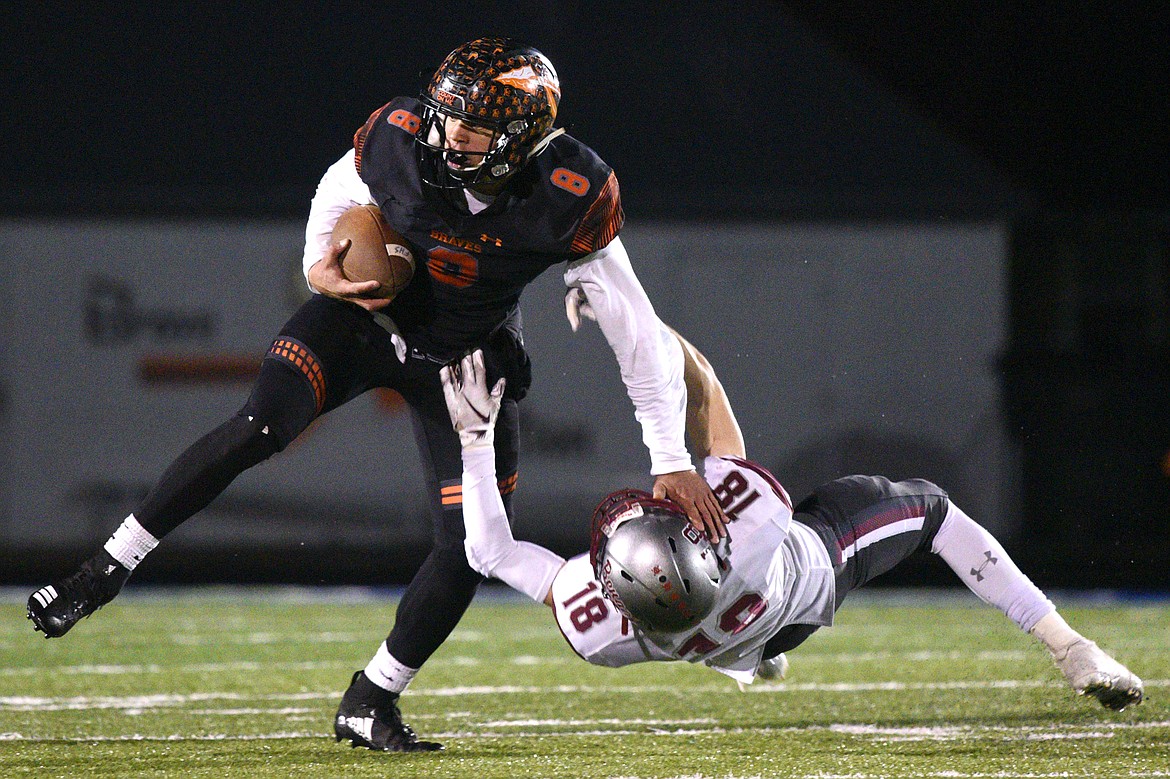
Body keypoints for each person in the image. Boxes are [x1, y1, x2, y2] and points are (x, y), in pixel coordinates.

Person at [25, 37, 725, 752]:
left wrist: (669, 457)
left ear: (523, 139)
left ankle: (371, 698)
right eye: (447, 115)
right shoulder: (400, 139)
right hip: (365, 317)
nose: (451, 135)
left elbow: (636, 332)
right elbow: (342, 185)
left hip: (466, 358)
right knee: (262, 423)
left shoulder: (572, 191)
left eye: (474, 126)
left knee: (470, 548)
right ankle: (103, 569)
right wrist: (316, 267)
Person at [435, 338, 1145, 712]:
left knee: (750, 651)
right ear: (701, 536)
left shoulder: (599, 632)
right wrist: (639, 327)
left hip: (731, 642)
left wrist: (472, 438)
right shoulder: (749, 528)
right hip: (807, 576)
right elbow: (703, 378)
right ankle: (1072, 647)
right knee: (930, 505)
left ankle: (751, 661)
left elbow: (488, 548)